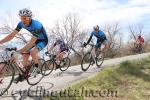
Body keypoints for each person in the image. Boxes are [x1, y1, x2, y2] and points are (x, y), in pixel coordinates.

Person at [0, 8, 48, 82]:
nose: (23, 20)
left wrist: (17, 52)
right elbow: (12, 35)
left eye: (24, 18)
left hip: (43, 40)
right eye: (21, 18)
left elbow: (31, 43)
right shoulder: (21, 23)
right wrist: (0, 42)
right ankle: (22, 74)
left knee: (32, 52)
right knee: (25, 55)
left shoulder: (37, 25)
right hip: (35, 40)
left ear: (30, 17)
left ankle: (37, 68)